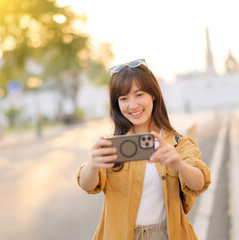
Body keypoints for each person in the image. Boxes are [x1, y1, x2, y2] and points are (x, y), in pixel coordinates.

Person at [76, 59, 211, 240]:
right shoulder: (114, 146)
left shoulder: (178, 143)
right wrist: (93, 164)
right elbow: (87, 184)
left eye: (139, 95)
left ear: (153, 95)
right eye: (124, 98)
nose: (133, 105)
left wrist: (179, 165)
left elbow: (199, 183)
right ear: (118, 104)